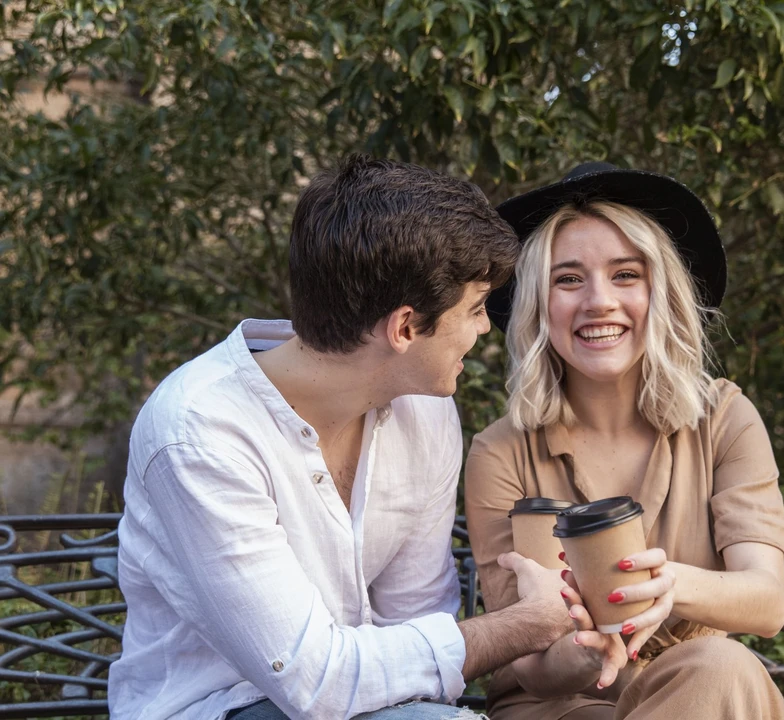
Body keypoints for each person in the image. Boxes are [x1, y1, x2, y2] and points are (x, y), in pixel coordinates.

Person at [109, 156, 574, 720]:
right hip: (215, 707)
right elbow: (314, 681)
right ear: (404, 327)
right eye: (475, 309)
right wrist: (528, 622)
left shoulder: (425, 412)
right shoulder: (200, 434)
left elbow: (415, 620)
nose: (483, 328)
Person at [464, 162, 784, 719]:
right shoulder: (500, 452)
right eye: (568, 279)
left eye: (625, 275)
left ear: (659, 292)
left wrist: (668, 585)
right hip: (562, 705)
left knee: (721, 666)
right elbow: (529, 665)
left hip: (694, 688)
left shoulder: (724, 420)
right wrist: (587, 652)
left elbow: (767, 601)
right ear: (538, 303)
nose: (598, 301)